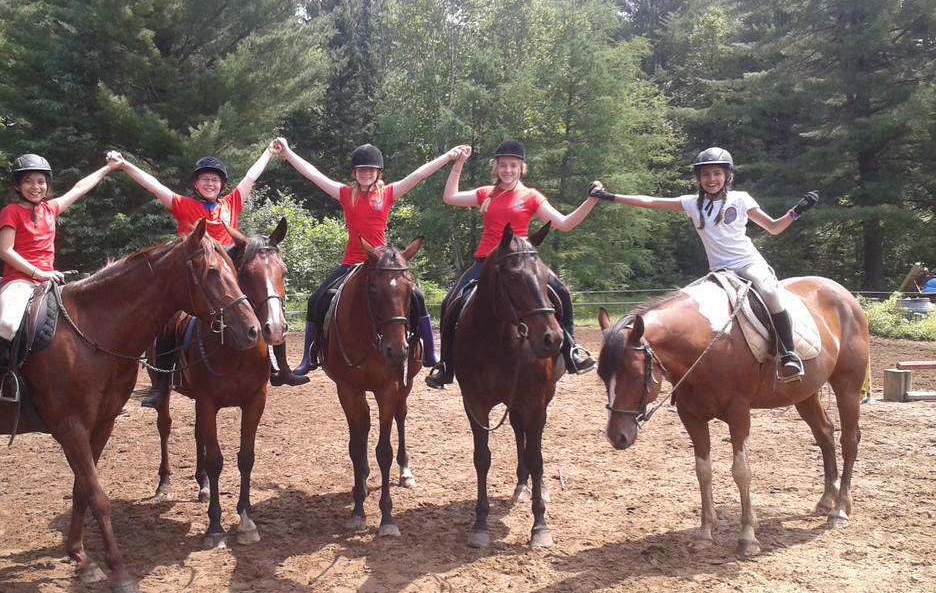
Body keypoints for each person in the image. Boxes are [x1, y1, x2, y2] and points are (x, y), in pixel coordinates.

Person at [589, 146, 818, 381]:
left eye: (717, 173)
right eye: (706, 174)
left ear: (727, 176)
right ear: (698, 178)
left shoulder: (740, 199)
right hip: (718, 271)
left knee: (770, 293)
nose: (711, 179)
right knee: (686, 303)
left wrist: (796, 212)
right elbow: (650, 201)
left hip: (747, 263)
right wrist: (609, 196)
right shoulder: (691, 203)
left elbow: (773, 228)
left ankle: (788, 353)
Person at [111, 145, 308, 405]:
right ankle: (161, 386)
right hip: (194, 279)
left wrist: (269, 154)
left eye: (215, 180)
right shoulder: (184, 205)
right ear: (196, 183)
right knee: (169, 320)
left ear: (222, 184)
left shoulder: (231, 203)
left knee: (268, 305)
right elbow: (156, 186)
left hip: (228, 278)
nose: (210, 183)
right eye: (205, 179)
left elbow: (250, 177)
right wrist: (125, 165)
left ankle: (281, 368)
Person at [272, 138, 462, 378]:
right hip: (352, 260)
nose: (366, 174)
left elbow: (418, 175)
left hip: (381, 262)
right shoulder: (345, 194)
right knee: (316, 299)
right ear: (354, 172)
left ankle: (431, 352)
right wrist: (288, 152)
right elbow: (313, 175)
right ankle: (308, 355)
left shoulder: (388, 193)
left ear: (378, 172)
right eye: (361, 170)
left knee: (417, 296)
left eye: (370, 170)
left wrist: (447, 157)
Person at [425, 140, 600, 389]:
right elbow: (449, 197)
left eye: (513, 166)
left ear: (522, 168)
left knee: (561, 292)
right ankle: (446, 366)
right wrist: (459, 164)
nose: (508, 170)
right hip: (487, 261)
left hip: (522, 262)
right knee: (449, 302)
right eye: (503, 165)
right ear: (496, 167)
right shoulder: (486, 193)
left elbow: (564, 223)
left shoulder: (531, 197)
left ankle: (572, 351)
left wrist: (591, 201)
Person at [0, 153, 119, 419]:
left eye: (41, 181)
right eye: (29, 181)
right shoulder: (11, 212)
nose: (36, 187)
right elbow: (6, 251)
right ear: (18, 186)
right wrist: (38, 271)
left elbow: (80, 188)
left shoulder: (50, 209)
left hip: (50, 281)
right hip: (19, 280)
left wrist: (108, 168)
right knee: (7, 324)